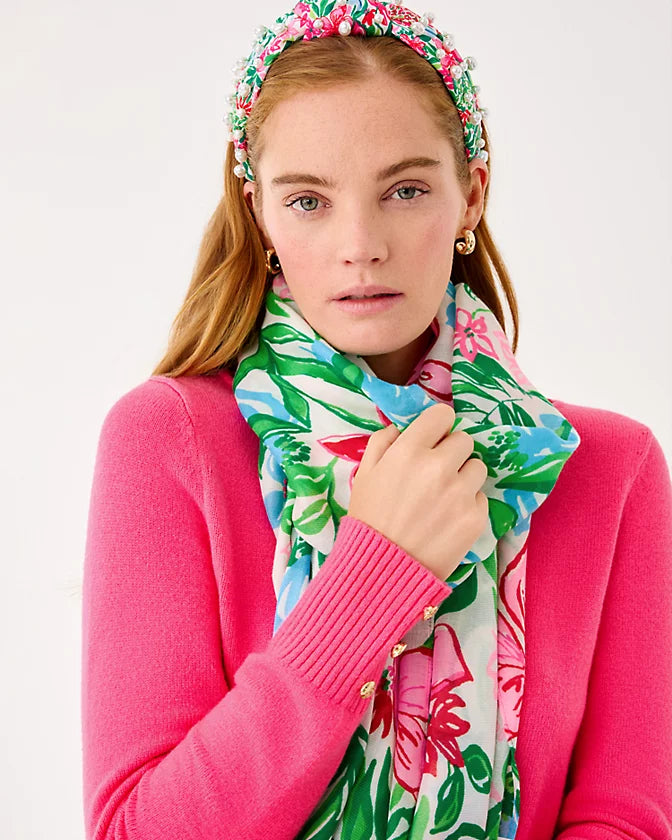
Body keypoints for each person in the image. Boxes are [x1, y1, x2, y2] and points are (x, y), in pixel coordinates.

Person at [80, 2, 672, 838]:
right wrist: (377, 571)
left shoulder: (609, 469)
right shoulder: (169, 440)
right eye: (309, 200)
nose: (360, 243)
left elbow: (626, 819)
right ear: (259, 213)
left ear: (471, 196)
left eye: (405, 190)